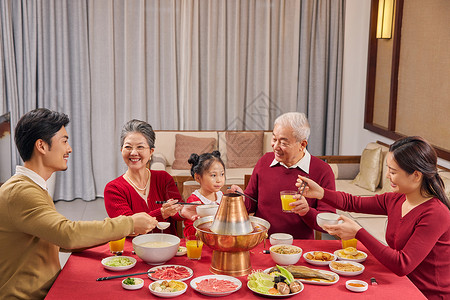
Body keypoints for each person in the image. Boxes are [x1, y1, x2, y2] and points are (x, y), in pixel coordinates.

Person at [0, 108, 158, 299]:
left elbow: (56, 237)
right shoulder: (21, 192)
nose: (69, 149)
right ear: (41, 146)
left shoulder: (32, 187)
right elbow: (67, 234)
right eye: (64, 141)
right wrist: (130, 223)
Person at [294, 136, 450, 299]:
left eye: (393, 171)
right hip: (401, 283)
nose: (388, 175)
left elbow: (402, 264)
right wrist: (321, 193)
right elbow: (353, 202)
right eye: (388, 169)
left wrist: (358, 232)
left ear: (416, 176)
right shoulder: (397, 199)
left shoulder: (435, 214)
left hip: (427, 295)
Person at [229, 112, 336, 239]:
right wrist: (241, 199)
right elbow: (251, 203)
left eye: (284, 143)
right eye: (274, 139)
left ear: (302, 145)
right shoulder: (264, 161)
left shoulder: (322, 171)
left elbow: (329, 223)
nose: (275, 147)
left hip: (299, 246)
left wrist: (307, 212)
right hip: (262, 241)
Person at [104, 119, 197, 236]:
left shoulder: (164, 178)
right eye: (128, 147)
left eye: (140, 147)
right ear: (121, 150)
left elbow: (176, 210)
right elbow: (129, 227)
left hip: (167, 247)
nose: (133, 152)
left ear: (151, 151)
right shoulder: (113, 189)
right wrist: (162, 213)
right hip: (134, 250)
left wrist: (183, 211)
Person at [183, 151, 225, 237]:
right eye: (213, 175)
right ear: (198, 177)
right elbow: (188, 231)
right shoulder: (194, 201)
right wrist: (202, 226)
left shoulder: (222, 196)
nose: (219, 180)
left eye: (222, 174)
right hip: (203, 244)